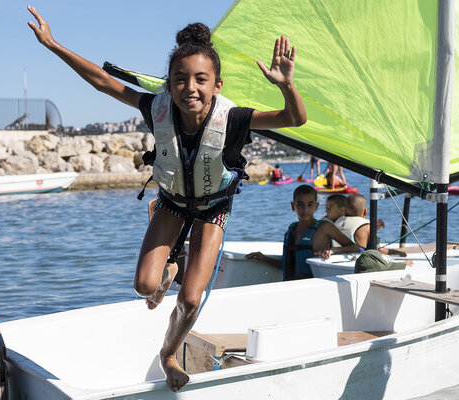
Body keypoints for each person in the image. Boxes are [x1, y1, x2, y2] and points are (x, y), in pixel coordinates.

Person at [28, 6, 307, 392]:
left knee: (190, 301)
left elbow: (294, 119)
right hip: (172, 202)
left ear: (217, 85)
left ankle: (169, 355)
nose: (189, 87)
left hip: (213, 210)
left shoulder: (236, 119)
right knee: (144, 286)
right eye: (179, 79)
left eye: (200, 79)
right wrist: (53, 45)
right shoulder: (155, 108)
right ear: (169, 84)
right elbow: (104, 83)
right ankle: (170, 266)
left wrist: (286, 84)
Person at [246, 185, 359, 280]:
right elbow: (288, 266)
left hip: (311, 289)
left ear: (316, 206)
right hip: (289, 288)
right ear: (292, 206)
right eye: (300, 204)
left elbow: (355, 248)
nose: (305, 210)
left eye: (310, 204)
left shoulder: (325, 227)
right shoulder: (291, 231)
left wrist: (333, 250)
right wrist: (263, 258)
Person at [334, 194, 409, 259]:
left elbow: (353, 229)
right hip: (359, 260)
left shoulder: (338, 221)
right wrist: (398, 252)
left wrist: (374, 228)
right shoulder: (367, 225)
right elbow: (379, 250)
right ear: (365, 211)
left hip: (336, 256)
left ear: (345, 210)